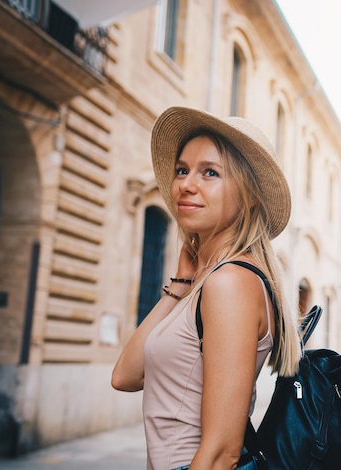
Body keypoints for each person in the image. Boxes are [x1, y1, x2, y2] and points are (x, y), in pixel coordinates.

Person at [111, 107, 302, 470]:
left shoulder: (231, 283)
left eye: (209, 172)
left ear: (250, 196)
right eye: (182, 170)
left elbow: (221, 453)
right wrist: (181, 284)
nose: (186, 183)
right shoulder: (205, 283)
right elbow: (126, 376)